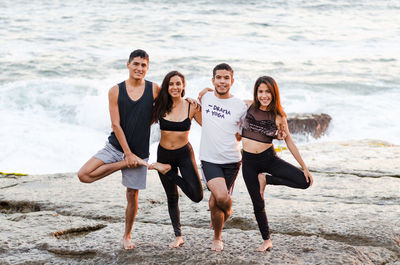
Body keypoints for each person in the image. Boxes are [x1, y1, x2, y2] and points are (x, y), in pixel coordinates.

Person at [77, 49, 160, 250]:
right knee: (83, 175)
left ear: (147, 68)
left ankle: (127, 235)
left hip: (140, 151)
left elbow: (175, 100)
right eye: (136, 64)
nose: (139, 68)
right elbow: (116, 124)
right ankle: (123, 164)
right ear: (128, 65)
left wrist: (198, 97)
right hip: (115, 147)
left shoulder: (154, 89)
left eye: (143, 65)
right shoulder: (115, 90)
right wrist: (127, 156)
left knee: (132, 194)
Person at [240, 76, 313, 252]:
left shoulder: (279, 115)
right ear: (256, 93)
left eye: (267, 92)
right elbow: (223, 99)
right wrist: (205, 92)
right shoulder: (247, 105)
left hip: (269, 158)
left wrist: (304, 167)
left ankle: (266, 179)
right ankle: (266, 240)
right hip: (249, 162)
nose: (264, 95)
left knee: (305, 182)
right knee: (257, 203)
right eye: (260, 91)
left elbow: (290, 142)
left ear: (274, 94)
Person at [148, 71, 203, 248]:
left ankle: (166, 172)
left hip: (184, 154)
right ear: (166, 86)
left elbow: (211, 126)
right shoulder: (160, 106)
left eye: (178, 83)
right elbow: (141, 122)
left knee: (197, 195)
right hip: (164, 154)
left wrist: (206, 93)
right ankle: (178, 235)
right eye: (171, 84)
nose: (174, 87)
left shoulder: (191, 106)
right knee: (172, 197)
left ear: (183, 86)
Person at [198, 63, 247, 251]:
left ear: (232, 81)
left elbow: (243, 132)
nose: (222, 81)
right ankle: (229, 210)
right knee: (219, 197)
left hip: (232, 161)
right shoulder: (206, 97)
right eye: (219, 77)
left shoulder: (240, 106)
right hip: (209, 159)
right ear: (213, 80)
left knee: (213, 202)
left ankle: (217, 237)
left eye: (226, 78)